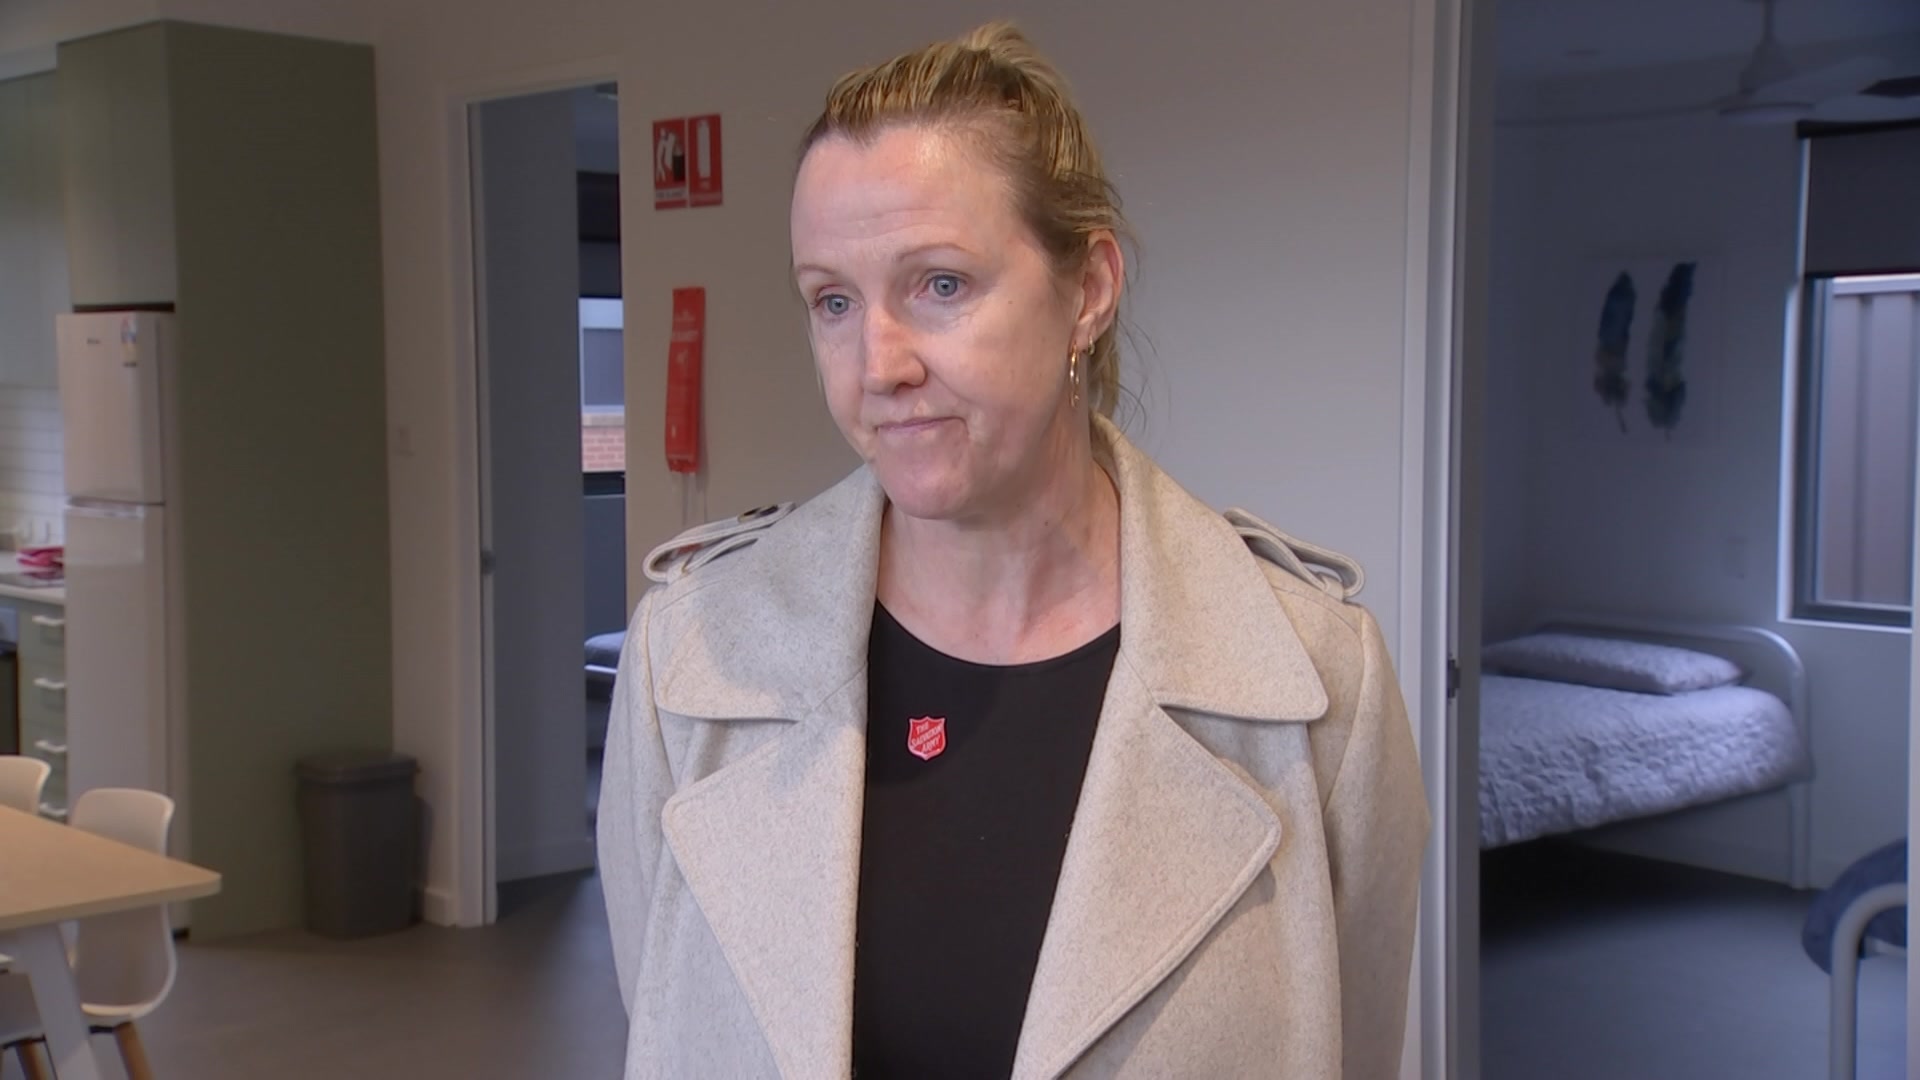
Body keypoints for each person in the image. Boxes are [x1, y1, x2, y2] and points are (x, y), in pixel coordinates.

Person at [598, 22, 1429, 1080]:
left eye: (939, 284)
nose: (877, 364)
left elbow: (1352, 1044)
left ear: (1086, 291)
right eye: (833, 301)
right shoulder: (689, 664)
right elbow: (664, 1013)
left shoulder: (1316, 685)